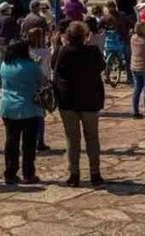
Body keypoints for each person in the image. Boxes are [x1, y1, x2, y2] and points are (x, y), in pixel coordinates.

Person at [52, 21, 106, 187]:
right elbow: (101, 67)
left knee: (72, 139)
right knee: (92, 137)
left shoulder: (63, 51)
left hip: (68, 101)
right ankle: (95, 173)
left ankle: (74, 174)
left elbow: (55, 68)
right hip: (89, 100)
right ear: (84, 36)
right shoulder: (92, 51)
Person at [0, 40, 44, 185]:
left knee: (11, 142)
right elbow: (42, 82)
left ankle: (10, 173)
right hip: (29, 107)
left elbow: (1, 83)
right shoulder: (32, 66)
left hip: (8, 107)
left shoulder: (4, 65)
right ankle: (28, 173)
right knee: (29, 144)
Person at [27, 28, 51, 152]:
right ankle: (40, 140)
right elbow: (48, 68)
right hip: (42, 84)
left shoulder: (27, 51)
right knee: (41, 114)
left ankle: (30, 139)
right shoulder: (45, 52)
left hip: (29, 83)